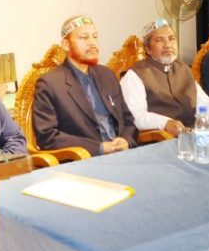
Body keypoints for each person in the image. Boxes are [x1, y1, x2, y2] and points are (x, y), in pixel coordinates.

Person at [122, 18, 209, 137]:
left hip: (192, 136)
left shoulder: (183, 69)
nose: (168, 44)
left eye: (171, 39)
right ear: (148, 49)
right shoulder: (135, 75)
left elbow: (204, 104)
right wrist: (165, 123)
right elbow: (136, 116)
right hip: (159, 142)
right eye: (159, 40)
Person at [32, 16, 139, 156]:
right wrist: (98, 148)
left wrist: (126, 140)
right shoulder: (50, 84)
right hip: (84, 160)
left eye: (95, 37)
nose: (92, 43)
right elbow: (48, 137)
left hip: (123, 154)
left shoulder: (107, 75)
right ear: (65, 44)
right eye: (84, 37)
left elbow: (128, 121)